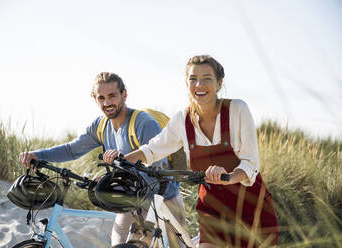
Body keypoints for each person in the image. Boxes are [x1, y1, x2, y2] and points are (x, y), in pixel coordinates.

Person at [103, 55, 280, 248]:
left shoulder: (237, 110)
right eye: (193, 78)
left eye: (207, 78)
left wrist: (228, 176)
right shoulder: (182, 119)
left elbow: (250, 163)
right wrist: (120, 160)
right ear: (186, 83)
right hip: (213, 210)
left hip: (251, 207)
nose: (199, 84)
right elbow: (152, 150)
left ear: (219, 83)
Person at [19, 72, 185, 247]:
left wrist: (116, 174)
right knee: (118, 242)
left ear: (124, 94)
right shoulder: (101, 126)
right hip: (130, 199)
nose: (107, 103)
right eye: (101, 98)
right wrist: (38, 155)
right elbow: (72, 149)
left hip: (161, 200)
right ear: (95, 99)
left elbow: (157, 165)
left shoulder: (143, 123)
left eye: (112, 96)